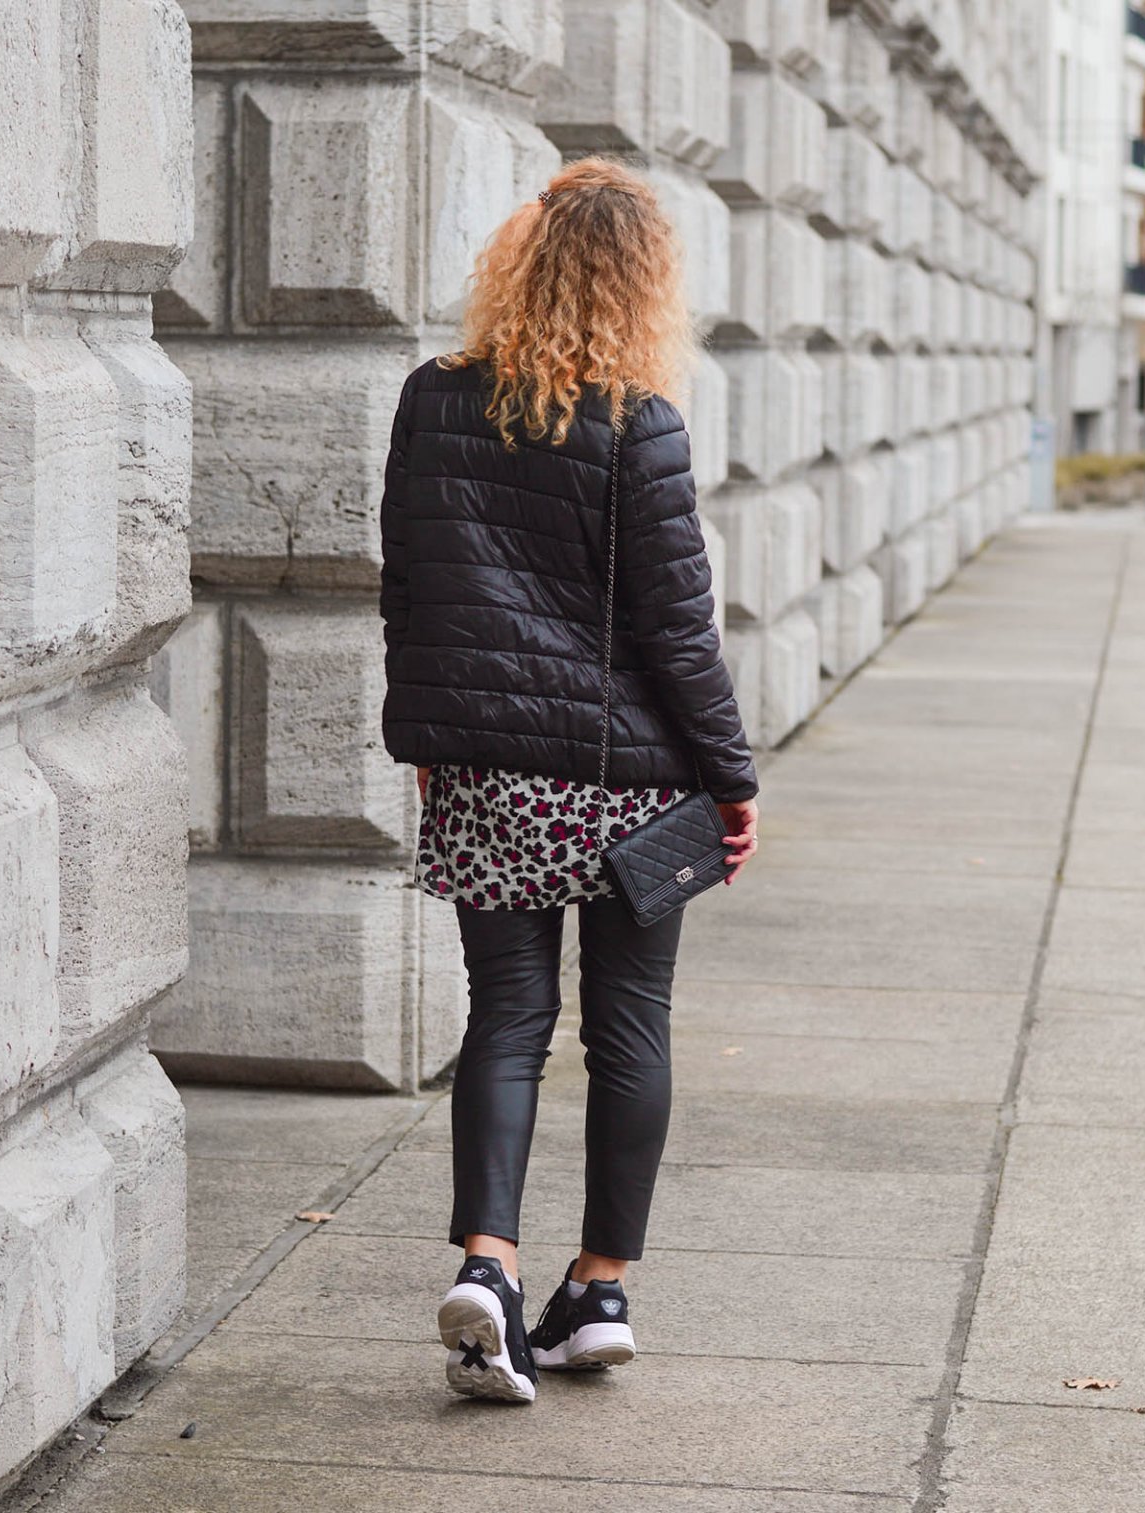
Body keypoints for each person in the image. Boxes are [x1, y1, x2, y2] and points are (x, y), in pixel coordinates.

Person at [377, 157, 760, 1404]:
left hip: (490, 772)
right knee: (630, 1027)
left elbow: (412, 591)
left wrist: (428, 737)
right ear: (641, 284)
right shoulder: (639, 423)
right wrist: (733, 776)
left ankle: (485, 1268)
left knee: (508, 1017)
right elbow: (679, 629)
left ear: (521, 262)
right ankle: (599, 1291)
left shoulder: (433, 402)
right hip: (631, 778)